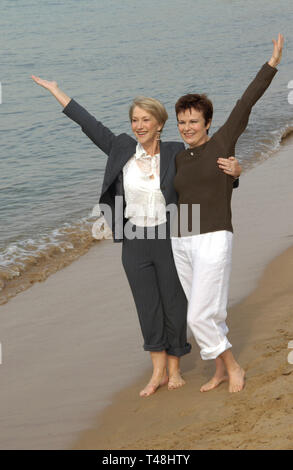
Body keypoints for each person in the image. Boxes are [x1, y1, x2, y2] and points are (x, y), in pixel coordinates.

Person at [31, 76, 241, 397]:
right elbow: (89, 123)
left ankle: (174, 367)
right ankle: (157, 371)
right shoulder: (121, 148)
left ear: (160, 123)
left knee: (174, 302)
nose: (139, 125)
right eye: (134, 120)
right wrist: (57, 91)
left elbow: (206, 175)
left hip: (170, 236)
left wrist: (234, 173)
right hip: (133, 239)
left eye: (146, 120)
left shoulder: (175, 151)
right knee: (147, 305)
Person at [171, 34, 284, 393]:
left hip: (214, 237)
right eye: (182, 122)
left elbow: (245, 103)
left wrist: (272, 64)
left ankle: (234, 367)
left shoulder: (221, 144)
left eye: (193, 121)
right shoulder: (176, 156)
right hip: (181, 239)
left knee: (199, 315)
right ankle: (219, 370)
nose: (187, 128)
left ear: (207, 122)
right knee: (210, 311)